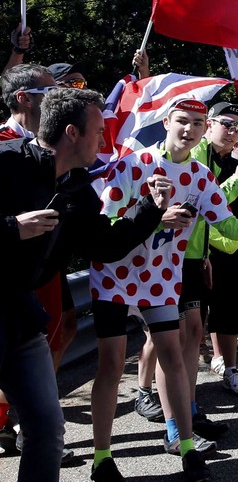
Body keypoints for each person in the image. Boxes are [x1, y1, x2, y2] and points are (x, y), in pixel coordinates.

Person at [87, 99, 238, 481]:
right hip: (114, 275)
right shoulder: (133, 164)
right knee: (110, 363)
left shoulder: (201, 176)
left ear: (204, 130)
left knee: (173, 356)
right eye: (182, 121)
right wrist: (156, 219)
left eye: (196, 123)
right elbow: (103, 226)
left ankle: (186, 448)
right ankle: (102, 458)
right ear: (166, 123)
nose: (188, 130)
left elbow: (231, 229)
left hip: (160, 276)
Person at [0, 88, 168, 482]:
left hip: (21, 319)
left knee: (47, 430)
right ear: (72, 132)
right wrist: (10, 228)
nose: (104, 140)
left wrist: (150, 209)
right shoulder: (6, 162)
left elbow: (105, 246)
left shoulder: (76, 189)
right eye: (97, 131)